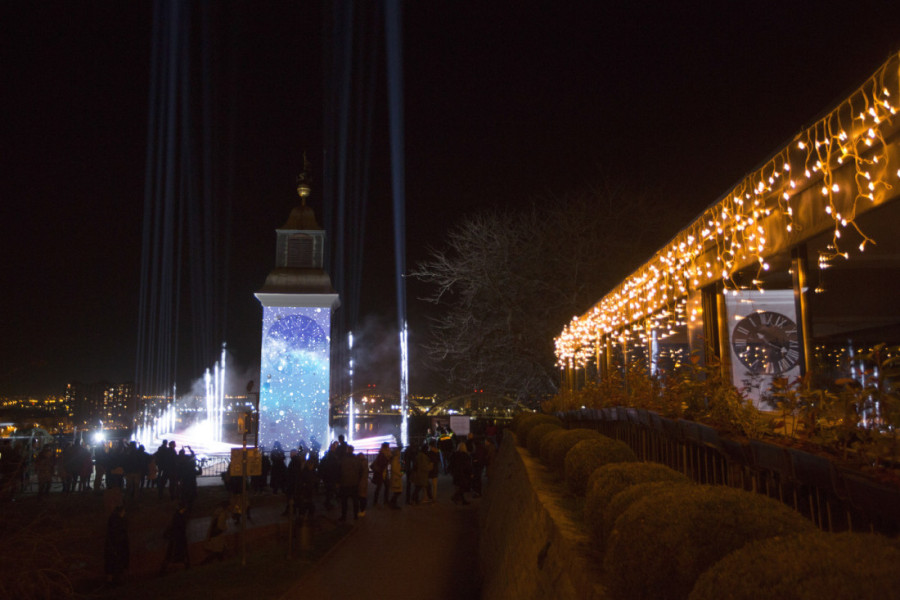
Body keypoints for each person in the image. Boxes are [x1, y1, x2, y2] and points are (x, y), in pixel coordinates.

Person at [159, 503, 190, 574]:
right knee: (174, 554)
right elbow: (180, 528)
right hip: (178, 538)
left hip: (176, 538)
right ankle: (184, 565)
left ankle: (165, 569)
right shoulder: (179, 516)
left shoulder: (177, 516)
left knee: (171, 554)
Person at [104, 505, 129, 584]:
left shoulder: (112, 520)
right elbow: (119, 535)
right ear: (121, 511)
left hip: (112, 546)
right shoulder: (118, 521)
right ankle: (117, 580)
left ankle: (111, 580)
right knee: (117, 562)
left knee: (111, 564)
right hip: (118, 546)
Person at [338, 445, 361, 521]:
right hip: (354, 483)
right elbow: (361, 471)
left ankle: (344, 516)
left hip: (345, 483)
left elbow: (339, 471)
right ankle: (355, 516)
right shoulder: (356, 459)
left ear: (347, 450)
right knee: (355, 501)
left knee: (344, 502)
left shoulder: (343, 459)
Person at [370, 442, 391, 507]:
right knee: (379, 487)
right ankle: (376, 502)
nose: (389, 448)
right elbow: (381, 464)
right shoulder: (382, 454)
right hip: (381, 473)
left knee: (385, 486)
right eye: (388, 446)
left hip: (383, 473)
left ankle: (384, 501)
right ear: (385, 447)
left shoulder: (385, 454)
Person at [356, 451, 369, 517]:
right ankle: (363, 510)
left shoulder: (361, 464)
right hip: (364, 482)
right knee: (363, 496)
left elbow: (360, 473)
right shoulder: (365, 463)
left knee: (362, 497)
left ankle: (362, 510)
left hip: (361, 482)